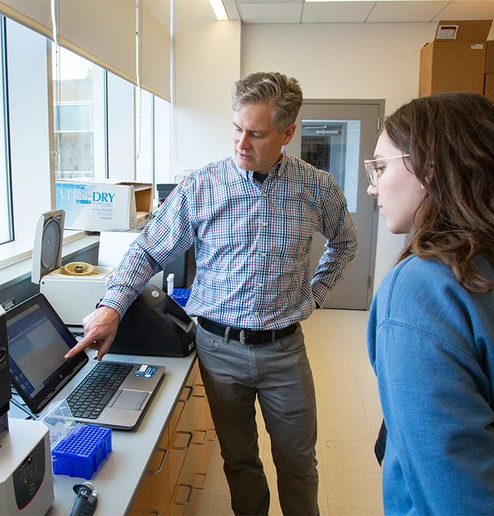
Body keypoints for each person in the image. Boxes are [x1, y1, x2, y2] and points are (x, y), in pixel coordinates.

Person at [66, 71, 358, 515]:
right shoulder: (200, 187)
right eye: (237, 129)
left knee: (298, 464)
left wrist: (316, 294)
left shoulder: (315, 187)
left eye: (257, 134)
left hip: (284, 352)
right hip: (219, 350)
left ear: (287, 133)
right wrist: (111, 306)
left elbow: (346, 242)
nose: (242, 143)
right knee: (240, 462)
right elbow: (147, 250)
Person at [365, 92, 494, 514]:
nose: (372, 186)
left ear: (429, 167)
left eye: (381, 167)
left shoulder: (424, 290)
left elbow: (464, 502)